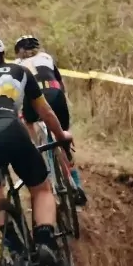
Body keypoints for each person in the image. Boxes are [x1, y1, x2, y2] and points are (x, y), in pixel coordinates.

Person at [0, 34, 73, 266]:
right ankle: (44, 243)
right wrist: (62, 136)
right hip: (10, 130)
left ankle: (13, 244)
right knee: (41, 188)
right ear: (2, 55)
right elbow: (46, 113)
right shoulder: (18, 71)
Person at [13, 34, 88, 205]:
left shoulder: (16, 65)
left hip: (34, 99)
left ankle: (36, 150)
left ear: (19, 52)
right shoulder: (47, 57)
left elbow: (17, 93)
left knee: (28, 122)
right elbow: (60, 83)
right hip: (56, 95)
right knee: (62, 137)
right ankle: (75, 181)